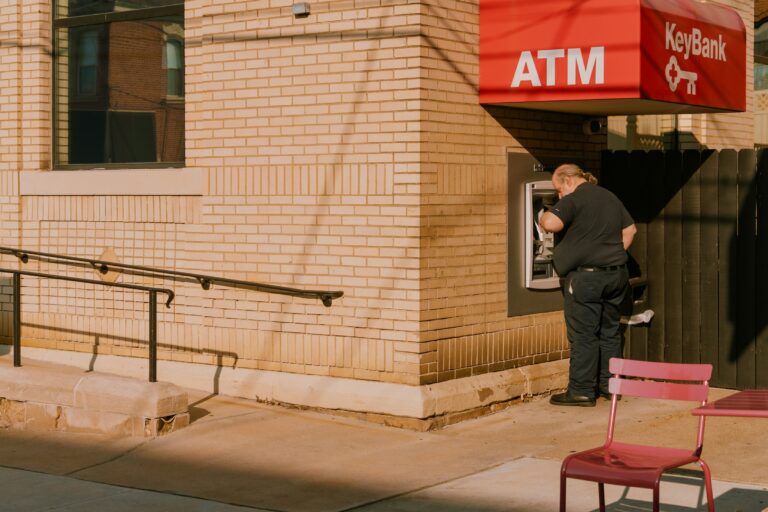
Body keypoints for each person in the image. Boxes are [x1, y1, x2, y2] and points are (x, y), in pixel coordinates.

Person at [538, 163, 637, 407]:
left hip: (586, 278)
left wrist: (545, 215)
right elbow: (630, 229)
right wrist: (608, 254)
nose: (559, 195)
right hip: (616, 275)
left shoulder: (575, 198)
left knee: (584, 334)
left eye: (558, 190)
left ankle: (581, 390)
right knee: (610, 331)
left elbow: (550, 223)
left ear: (568, 181)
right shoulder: (608, 196)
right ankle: (609, 386)